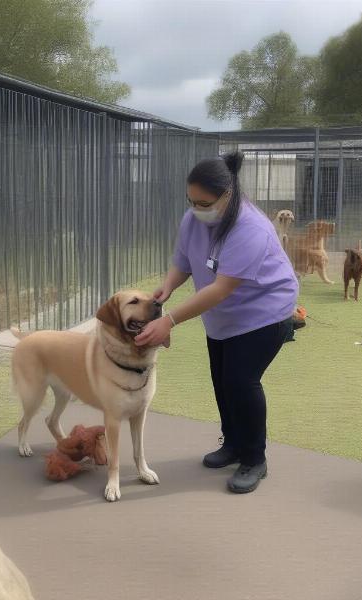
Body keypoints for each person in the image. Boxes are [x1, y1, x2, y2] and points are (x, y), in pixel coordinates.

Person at [134, 151, 298, 494]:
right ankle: (234, 443)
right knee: (222, 381)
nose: (196, 207)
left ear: (228, 194)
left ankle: (255, 459)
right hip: (224, 316)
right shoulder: (195, 218)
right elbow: (184, 259)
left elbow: (222, 288)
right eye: (191, 200)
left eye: (204, 201)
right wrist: (169, 285)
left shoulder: (251, 227)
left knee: (241, 381)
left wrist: (171, 320)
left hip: (265, 312)